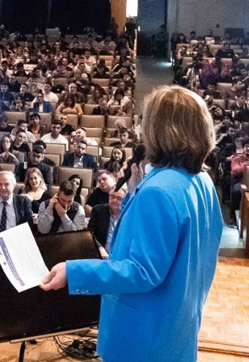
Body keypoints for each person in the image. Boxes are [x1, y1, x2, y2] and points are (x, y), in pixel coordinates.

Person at [40, 85, 223, 362]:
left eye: (145, 121)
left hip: (146, 336)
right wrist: (134, 191)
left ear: (159, 130)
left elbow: (142, 271)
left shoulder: (158, 191)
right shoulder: (203, 181)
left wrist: (74, 272)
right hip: (179, 322)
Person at [88, 185, 127, 259]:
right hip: (101, 256)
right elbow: (90, 233)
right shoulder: (98, 210)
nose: (114, 200)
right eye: (112, 196)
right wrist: (100, 248)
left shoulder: (129, 214)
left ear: (125, 200)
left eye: (119, 198)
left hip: (121, 257)